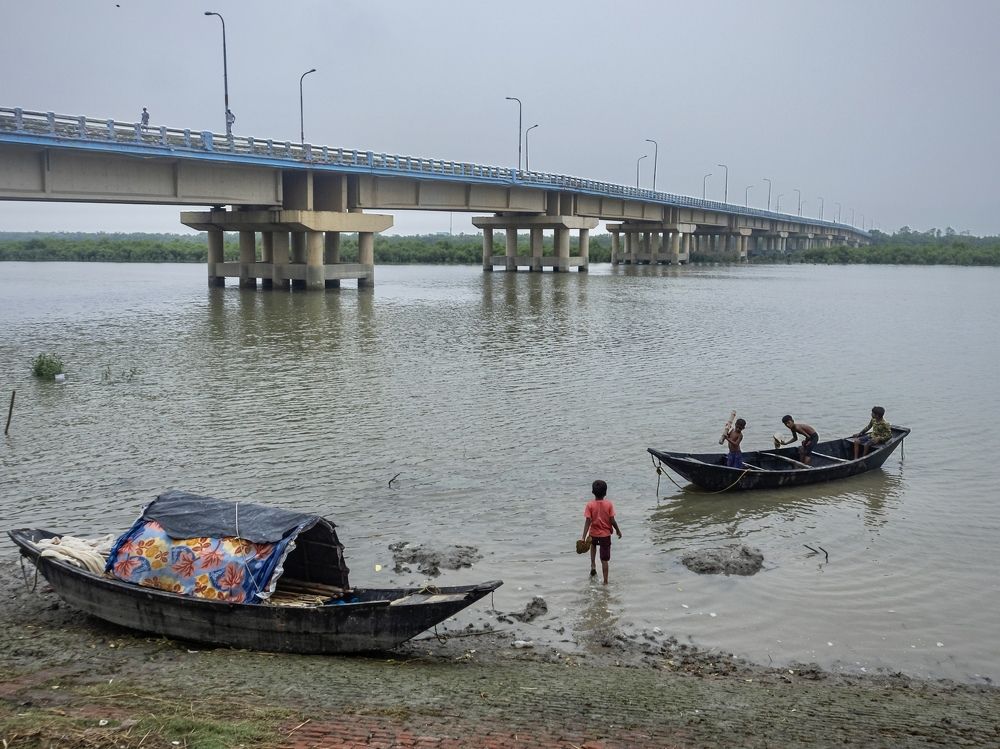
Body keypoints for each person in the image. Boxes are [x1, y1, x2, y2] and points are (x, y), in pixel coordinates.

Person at [582, 480, 622, 585]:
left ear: (592, 492)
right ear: (605, 493)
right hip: (605, 535)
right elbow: (612, 520)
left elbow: (587, 521)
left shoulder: (590, 505)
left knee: (593, 545)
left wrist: (583, 537)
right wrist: (618, 530)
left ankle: (593, 564)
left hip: (593, 533)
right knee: (604, 560)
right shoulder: (609, 504)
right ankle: (605, 582)